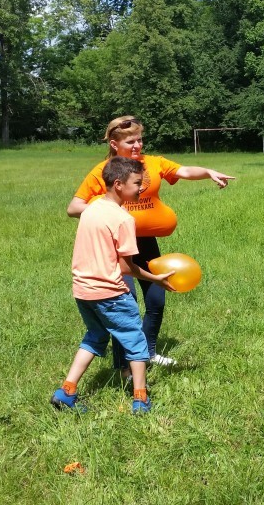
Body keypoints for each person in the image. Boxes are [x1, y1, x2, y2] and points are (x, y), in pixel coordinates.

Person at [67, 116, 234, 377]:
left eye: (140, 140)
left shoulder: (152, 163)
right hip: (118, 245)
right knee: (126, 303)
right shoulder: (104, 171)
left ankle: (149, 352)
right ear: (114, 144)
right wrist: (106, 211)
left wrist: (208, 172)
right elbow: (74, 207)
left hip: (146, 242)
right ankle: (124, 366)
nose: (137, 145)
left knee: (157, 299)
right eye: (130, 142)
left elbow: (183, 171)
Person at [52, 157, 177, 414]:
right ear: (118, 184)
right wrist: (156, 279)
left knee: (95, 337)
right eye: (137, 183)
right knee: (137, 343)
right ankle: (141, 400)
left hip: (83, 290)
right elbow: (126, 267)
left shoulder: (90, 209)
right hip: (111, 292)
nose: (142, 188)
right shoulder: (123, 219)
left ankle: (66, 392)